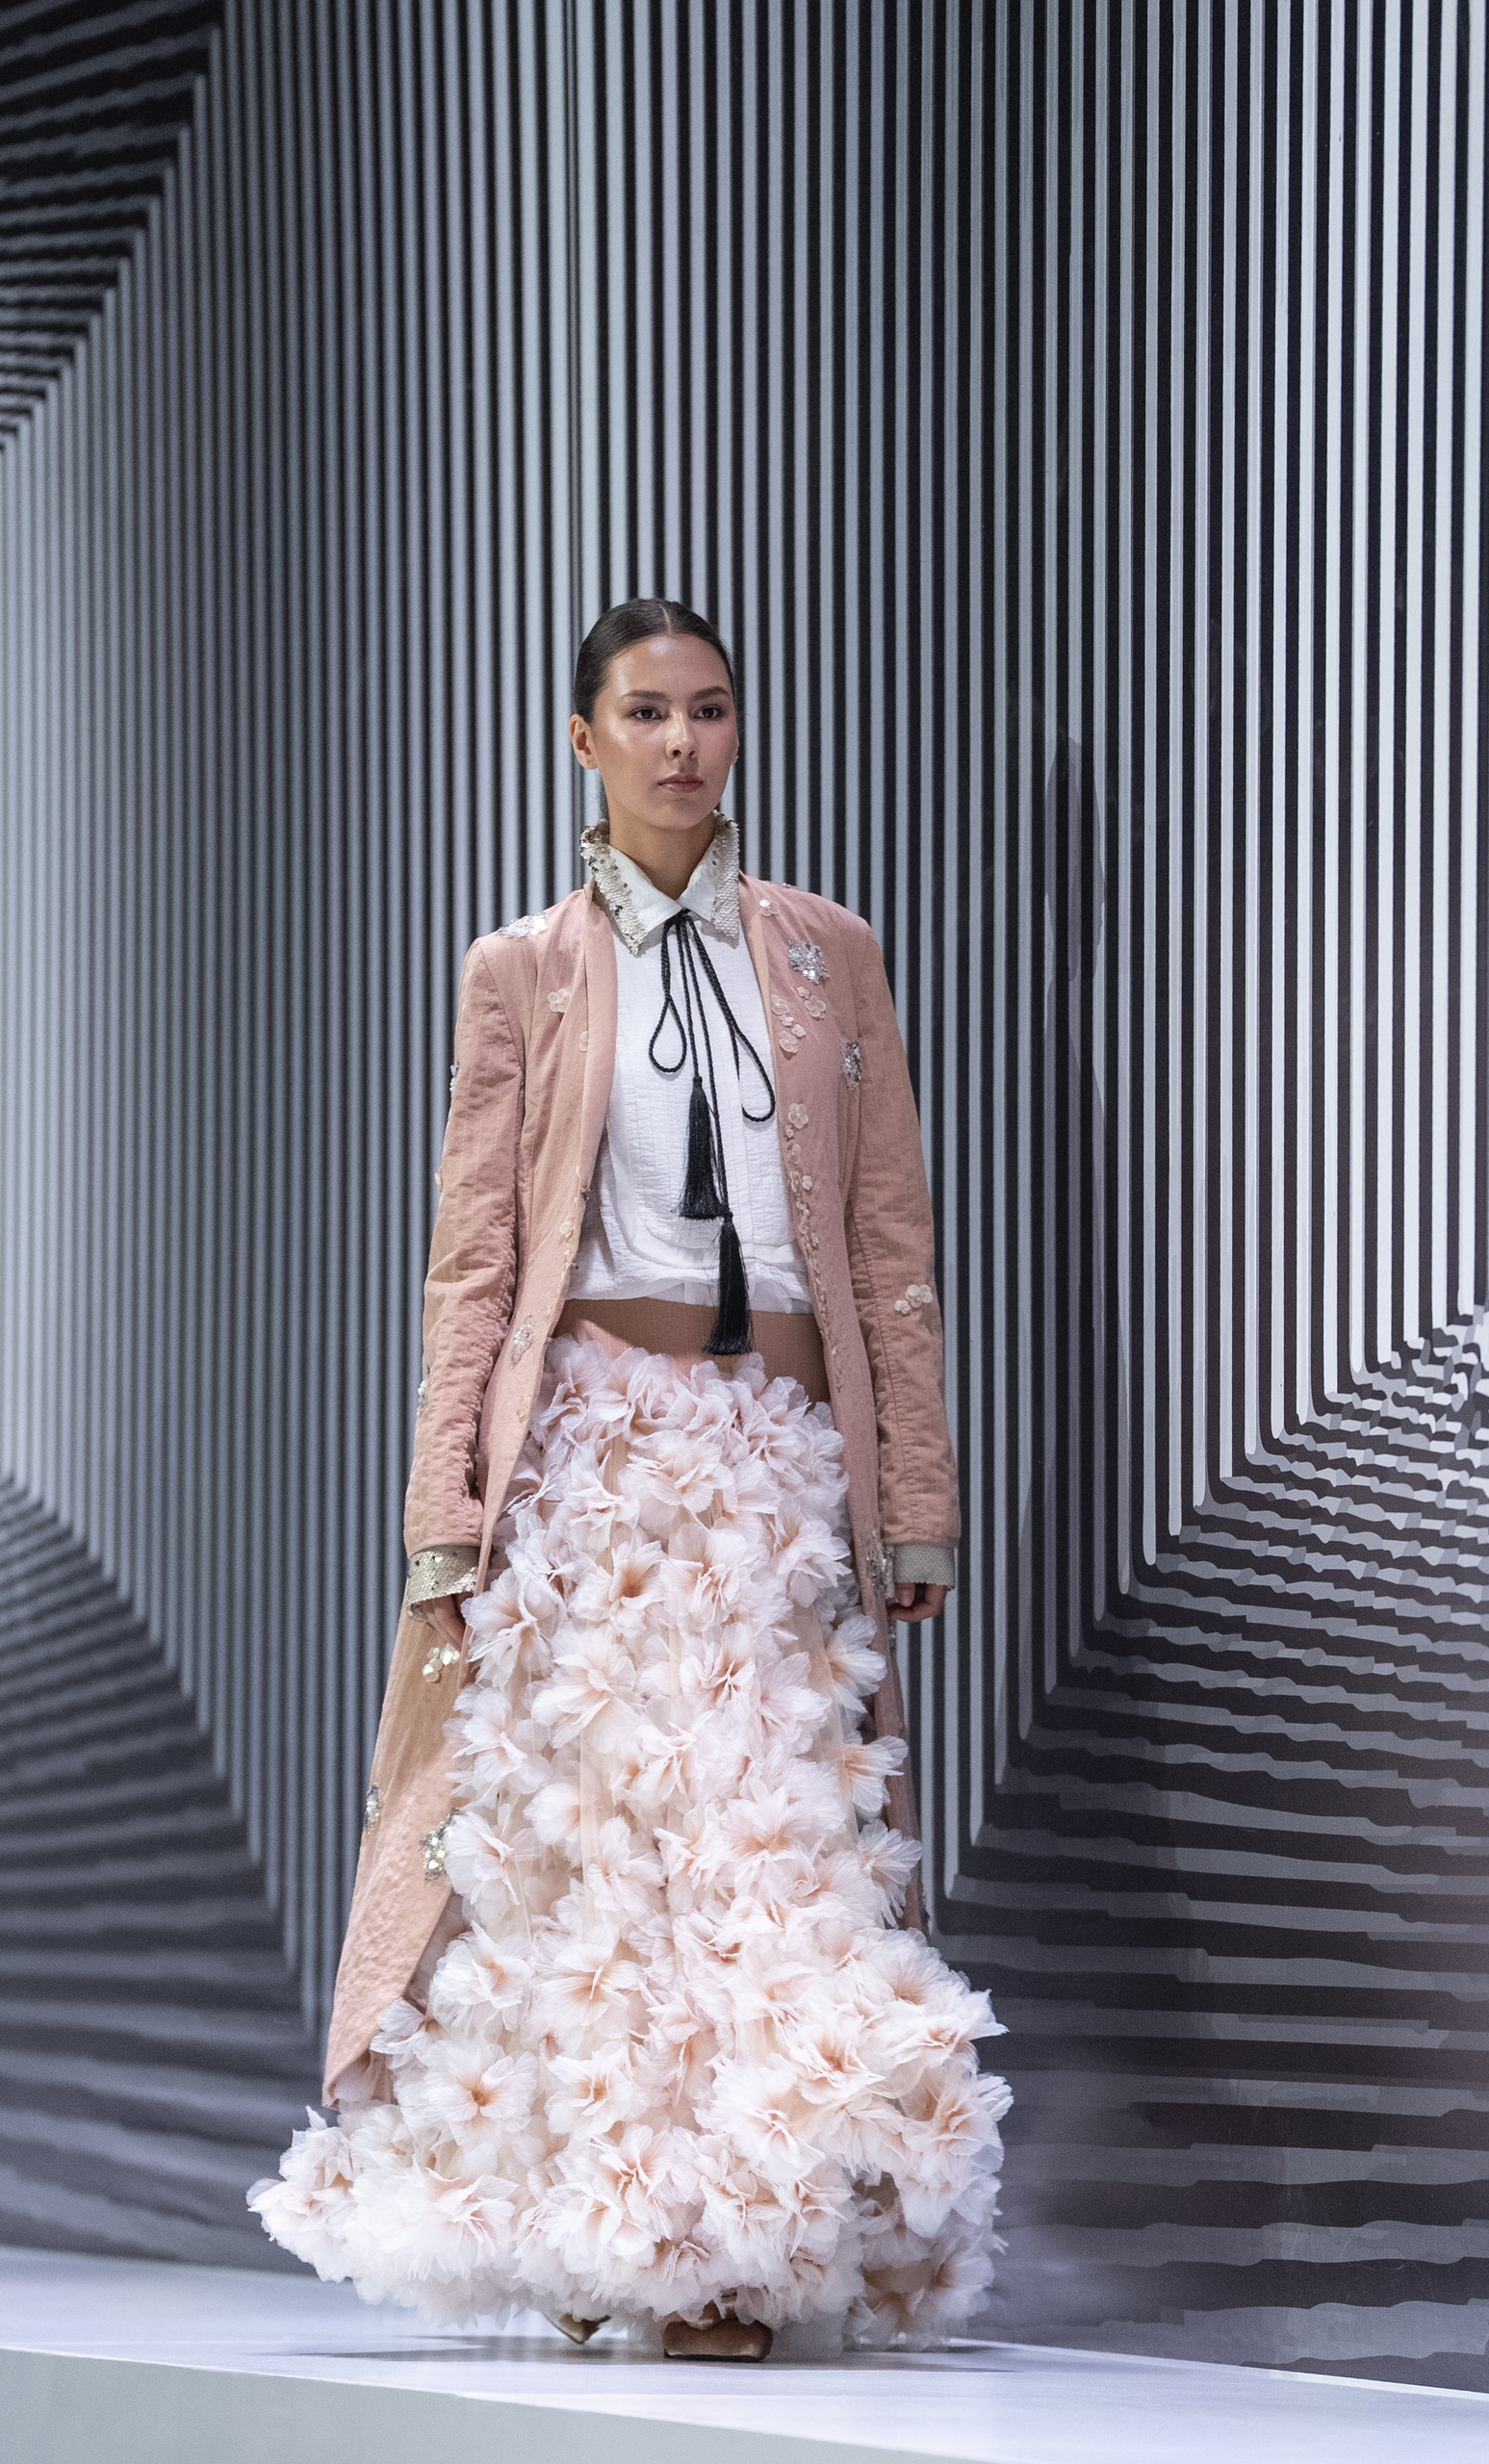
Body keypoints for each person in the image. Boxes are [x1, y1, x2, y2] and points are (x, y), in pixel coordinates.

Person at [250, 599, 1008, 2360]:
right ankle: (620, 2237)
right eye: (648, 714)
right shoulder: (521, 968)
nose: (683, 744)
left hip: (776, 1454)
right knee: (603, 1860)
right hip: (592, 1451)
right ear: (583, 741)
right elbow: (473, 1261)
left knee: (765, 1850)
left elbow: (889, 1241)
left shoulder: (827, 953)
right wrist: (448, 1516)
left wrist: (916, 1497)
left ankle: (738, 2244)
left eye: (711, 710)